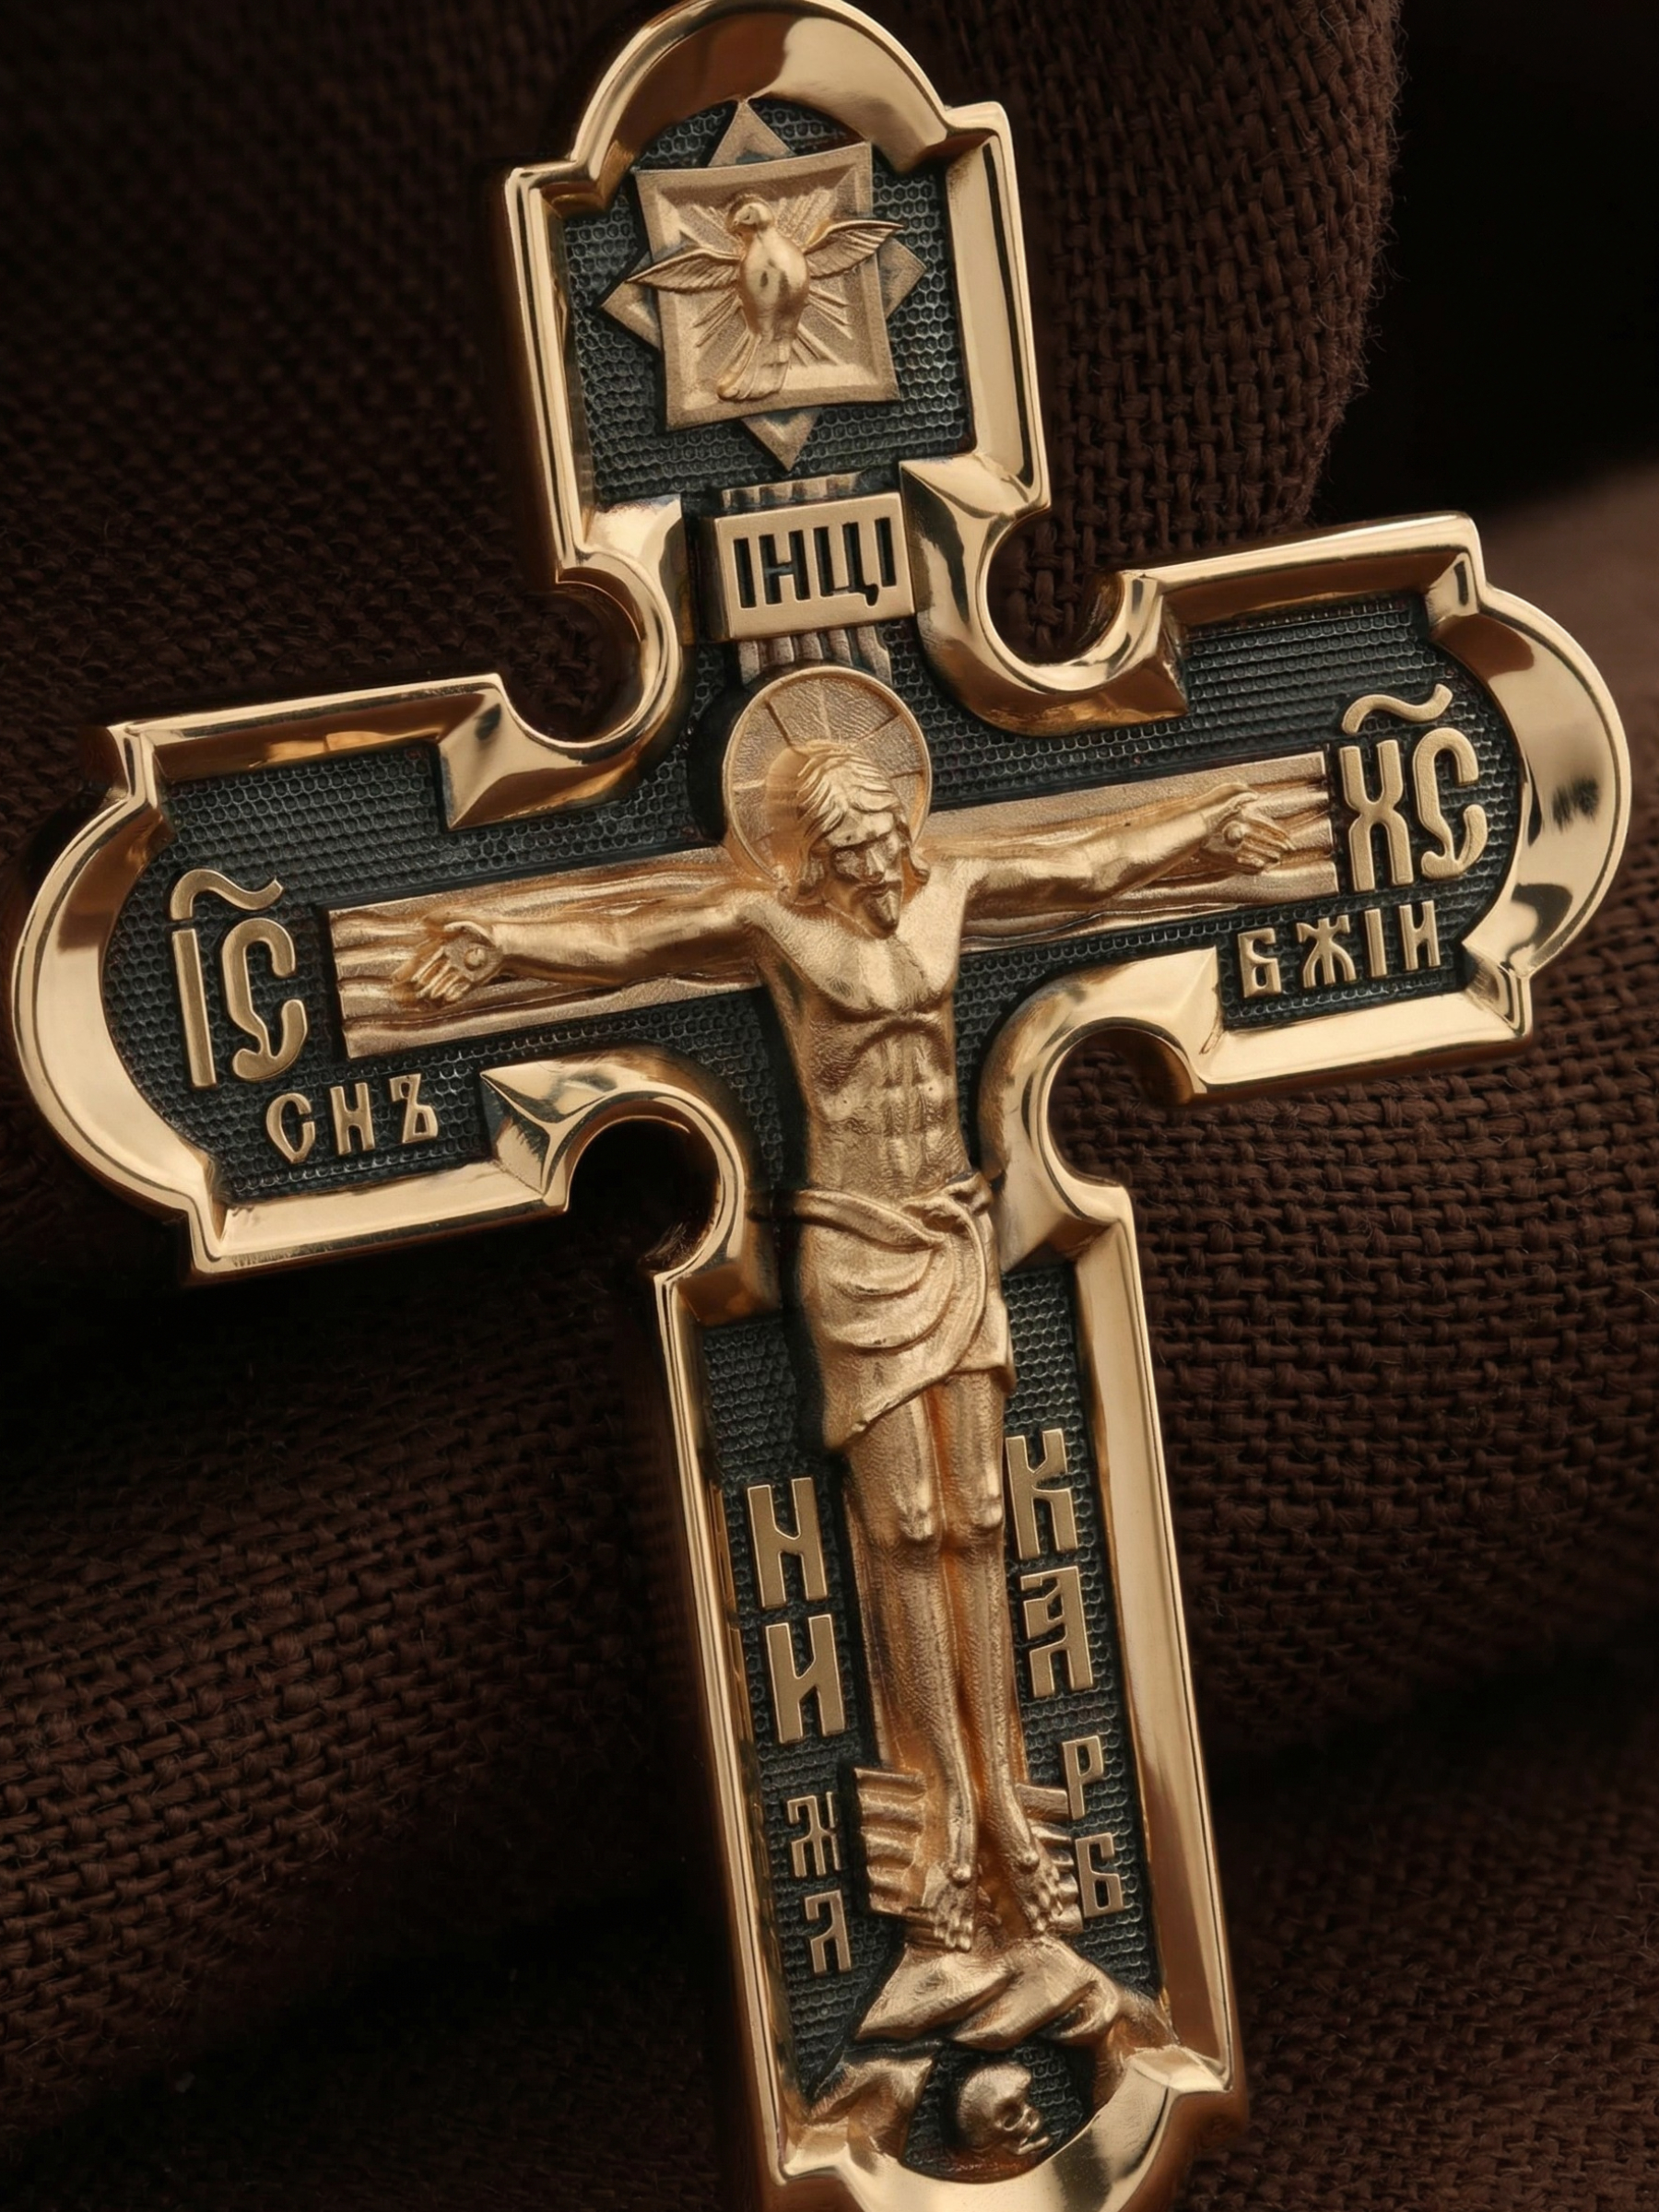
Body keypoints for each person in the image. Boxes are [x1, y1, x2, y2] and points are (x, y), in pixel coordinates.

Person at [410, 677, 1289, 1952]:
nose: (883, 869)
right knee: (907, 1525)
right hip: (855, 1249)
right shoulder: (773, 923)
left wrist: (1208, 827)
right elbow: (629, 937)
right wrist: (499, 944)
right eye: (858, 853)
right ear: (814, 856)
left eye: (890, 842)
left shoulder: (948, 889)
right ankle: (944, 1803)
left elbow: (1090, 861)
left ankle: (1005, 1797)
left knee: (981, 1514)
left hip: (952, 1230)